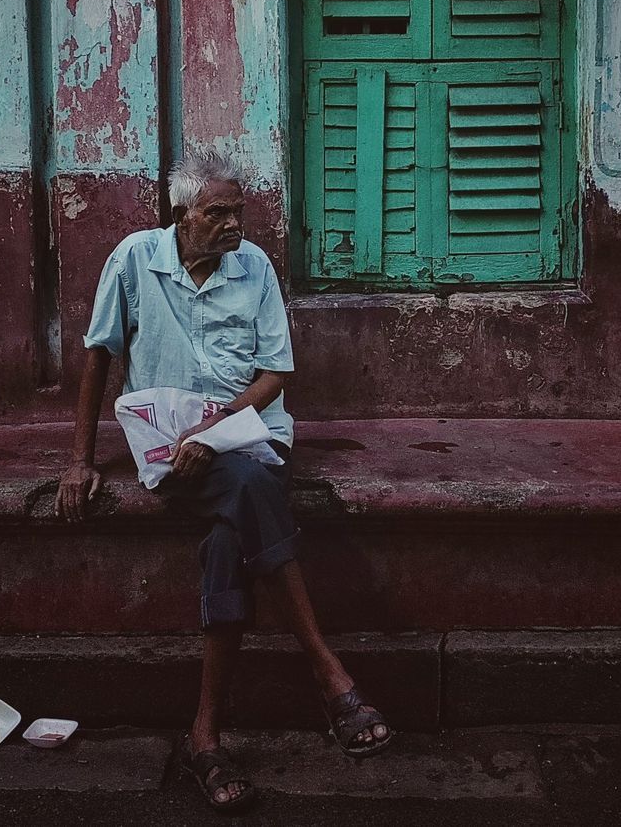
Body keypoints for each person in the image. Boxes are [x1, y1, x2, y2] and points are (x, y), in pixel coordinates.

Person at [56, 146, 392, 812]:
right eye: (217, 213)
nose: (234, 224)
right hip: (169, 448)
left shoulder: (255, 267)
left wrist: (219, 429)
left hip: (247, 436)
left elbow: (275, 375)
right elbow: (98, 358)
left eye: (238, 211)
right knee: (245, 493)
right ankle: (329, 675)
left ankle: (206, 737)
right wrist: (80, 459)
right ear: (182, 216)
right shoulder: (133, 260)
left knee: (229, 526)